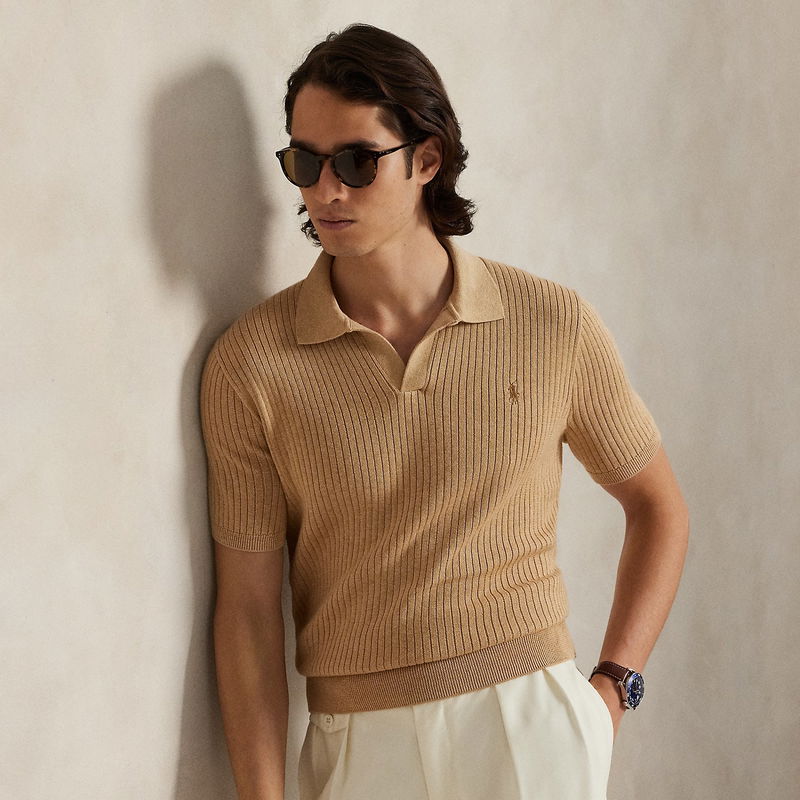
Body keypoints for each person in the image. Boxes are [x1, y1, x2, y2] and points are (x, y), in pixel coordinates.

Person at [200, 23, 689, 800]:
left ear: (427, 160)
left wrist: (611, 691)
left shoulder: (550, 323)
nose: (326, 191)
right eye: (305, 162)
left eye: (357, 162)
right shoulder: (251, 364)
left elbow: (657, 506)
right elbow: (249, 611)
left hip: (529, 729)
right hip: (359, 748)